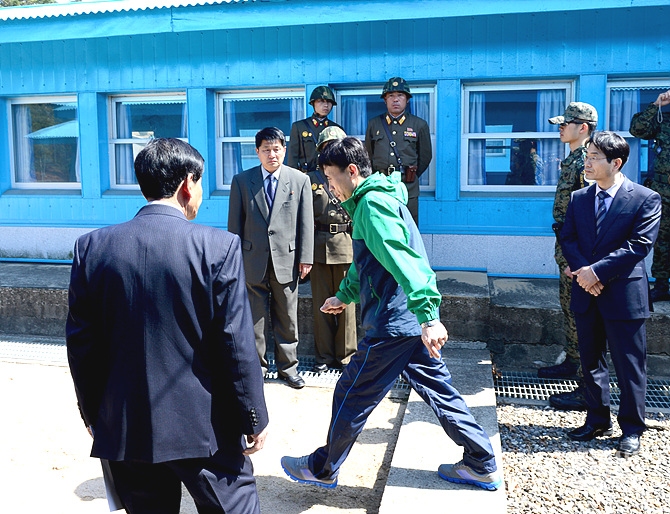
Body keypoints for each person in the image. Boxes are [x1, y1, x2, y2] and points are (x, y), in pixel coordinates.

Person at [280, 137, 501, 491]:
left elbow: (405, 260)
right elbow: (369, 260)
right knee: (440, 392)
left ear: (352, 171)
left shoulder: (372, 206)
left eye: (331, 178)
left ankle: (323, 467)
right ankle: (481, 461)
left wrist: (429, 316)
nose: (330, 188)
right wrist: (344, 295)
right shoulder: (375, 200)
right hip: (406, 322)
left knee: (351, 392)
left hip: (393, 324)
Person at [66, 138, 269, 514]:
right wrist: (253, 415)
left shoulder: (91, 248)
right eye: (201, 182)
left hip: (126, 425)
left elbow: (81, 346)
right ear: (187, 184)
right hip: (206, 426)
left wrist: (93, 414)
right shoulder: (217, 246)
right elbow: (236, 343)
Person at [560, 131, 661, 458]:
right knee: (591, 361)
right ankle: (596, 419)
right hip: (586, 291)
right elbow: (568, 238)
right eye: (587, 156)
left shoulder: (645, 198)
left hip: (623, 294)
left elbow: (639, 246)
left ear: (616, 163)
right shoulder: (579, 198)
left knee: (629, 365)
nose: (587, 162)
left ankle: (631, 428)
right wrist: (584, 272)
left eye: (594, 157)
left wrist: (596, 272)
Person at [228, 127, 314, 389]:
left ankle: (289, 369)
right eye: (266, 149)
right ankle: (257, 369)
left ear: (284, 150)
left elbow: (306, 223)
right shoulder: (242, 181)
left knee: (287, 317)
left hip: (287, 260)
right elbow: (235, 225)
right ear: (257, 152)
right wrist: (234, 260)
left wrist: (306, 257)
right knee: (254, 319)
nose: (272, 154)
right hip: (252, 260)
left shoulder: (299, 180)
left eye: (276, 149)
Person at [539, 102, 598, 413]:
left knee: (582, 316)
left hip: (578, 255)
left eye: (566, 124)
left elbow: (590, 216)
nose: (561, 128)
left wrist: (576, 261)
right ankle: (573, 363)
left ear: (583, 127)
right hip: (568, 247)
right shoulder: (574, 159)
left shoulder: (588, 162)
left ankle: (587, 386)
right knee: (569, 309)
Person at [307, 126, 357, 373]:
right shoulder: (311, 179)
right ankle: (324, 356)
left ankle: (346, 356)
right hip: (319, 247)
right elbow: (304, 218)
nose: (331, 151)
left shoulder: (351, 176)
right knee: (321, 306)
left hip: (346, 244)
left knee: (347, 307)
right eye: (327, 147)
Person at [365, 77, 432, 224]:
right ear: (385, 100)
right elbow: (368, 155)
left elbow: (425, 156)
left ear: (407, 99)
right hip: (381, 186)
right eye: (391, 96)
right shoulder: (374, 124)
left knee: (408, 227)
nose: (395, 99)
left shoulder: (419, 124)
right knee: (382, 226)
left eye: (400, 95)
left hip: (407, 186)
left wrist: (410, 174)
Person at [630, 89, 670, 303]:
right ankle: (662, 285)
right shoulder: (664, 120)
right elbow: (637, 129)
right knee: (662, 239)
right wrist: (656, 105)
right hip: (663, 189)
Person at [288, 85, 343, 173]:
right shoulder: (299, 127)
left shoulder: (336, 129)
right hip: (307, 175)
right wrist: (293, 177)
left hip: (330, 176)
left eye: (329, 102)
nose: (326, 105)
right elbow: (292, 158)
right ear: (313, 103)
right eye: (321, 101)